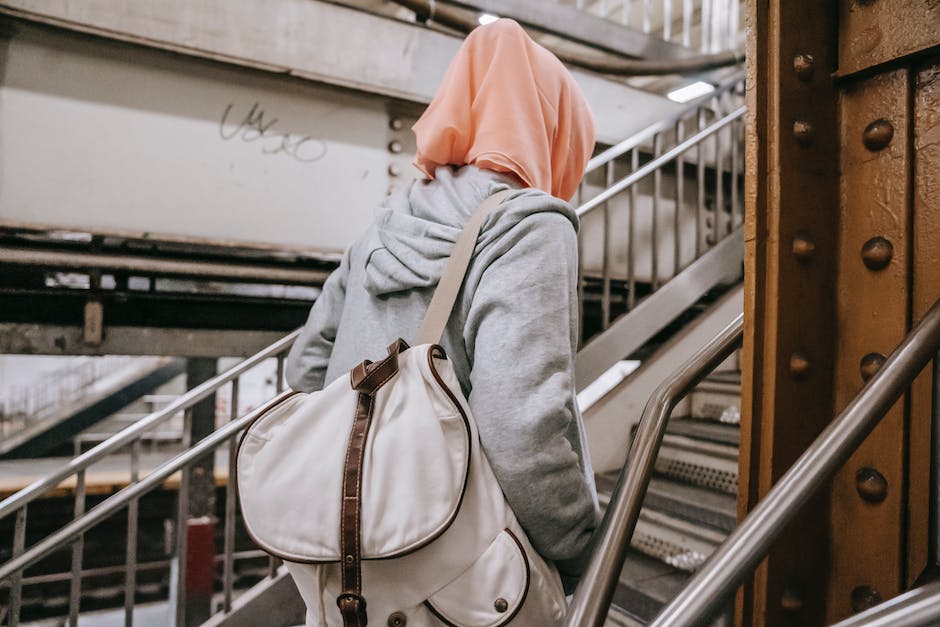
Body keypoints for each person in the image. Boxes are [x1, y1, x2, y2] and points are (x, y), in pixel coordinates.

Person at [285, 17, 599, 593]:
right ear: (555, 127)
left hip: (344, 565)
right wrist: (580, 550)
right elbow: (520, 430)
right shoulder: (528, 226)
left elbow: (305, 366)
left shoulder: (386, 221)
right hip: (458, 583)